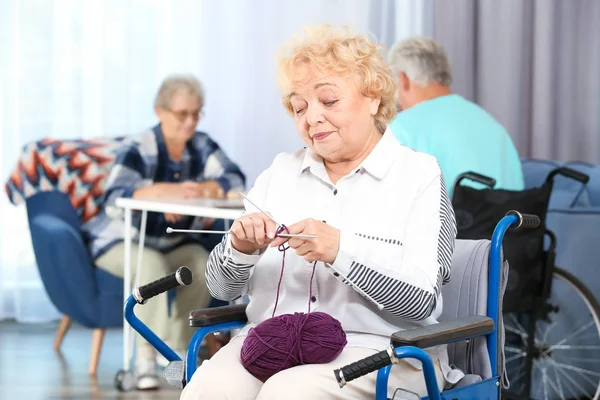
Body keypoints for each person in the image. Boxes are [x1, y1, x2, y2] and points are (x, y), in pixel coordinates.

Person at [181, 25, 457, 400]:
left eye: (328, 101)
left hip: (384, 351)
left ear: (374, 98)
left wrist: (341, 253)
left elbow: (422, 303)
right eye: (299, 107)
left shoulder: (419, 176)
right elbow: (220, 288)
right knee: (206, 391)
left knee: (288, 392)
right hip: (270, 344)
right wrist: (240, 249)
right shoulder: (279, 173)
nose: (312, 119)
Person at [82, 74, 246, 390]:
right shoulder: (139, 146)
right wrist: (163, 193)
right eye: (182, 114)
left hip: (173, 241)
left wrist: (204, 188)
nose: (190, 122)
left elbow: (235, 179)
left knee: (201, 264)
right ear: (160, 111)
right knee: (151, 267)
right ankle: (145, 357)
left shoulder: (202, 145)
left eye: (196, 113)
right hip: (121, 239)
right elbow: (114, 196)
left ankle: (176, 350)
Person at [387, 36, 524, 197]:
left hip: (450, 221)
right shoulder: (491, 124)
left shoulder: (402, 127)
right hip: (508, 220)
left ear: (403, 80)